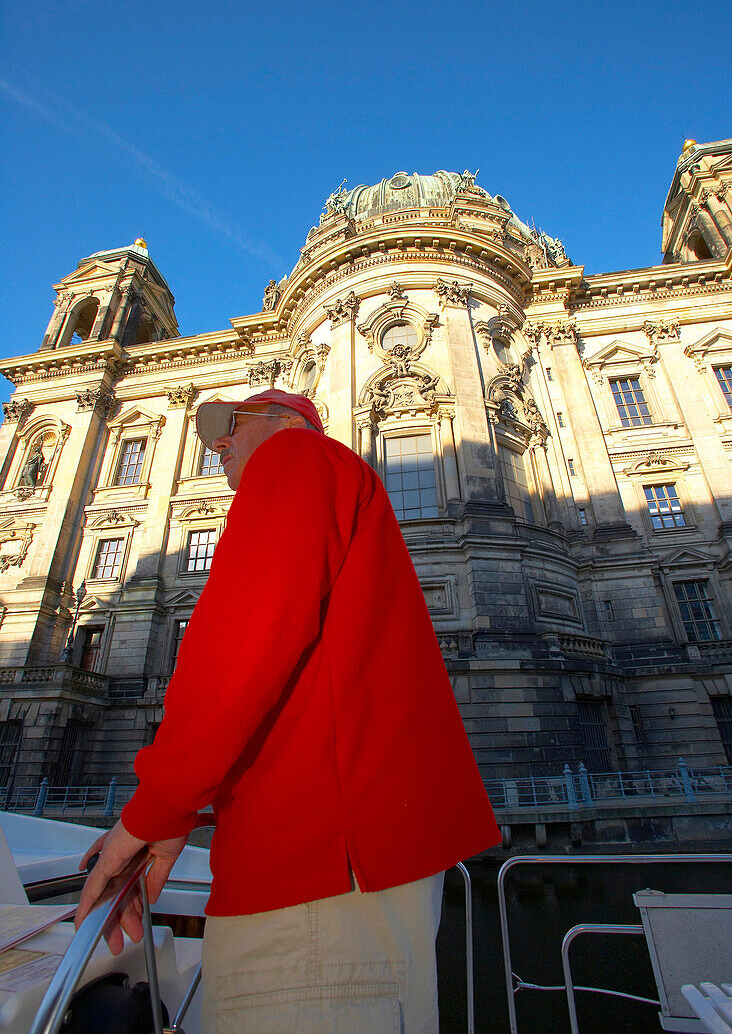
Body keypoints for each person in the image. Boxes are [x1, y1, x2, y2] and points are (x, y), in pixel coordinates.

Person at [76, 388, 500, 1032]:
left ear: (284, 420)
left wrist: (160, 804)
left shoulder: (295, 456)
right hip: (353, 871)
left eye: (227, 424)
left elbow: (242, 639)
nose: (214, 443)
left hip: (311, 873)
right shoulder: (341, 488)